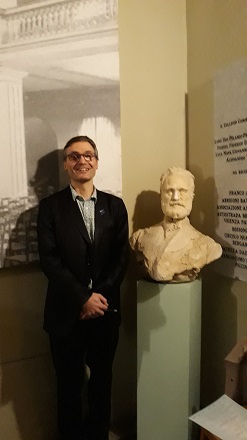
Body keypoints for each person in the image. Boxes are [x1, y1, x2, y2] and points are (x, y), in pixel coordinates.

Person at [37, 135, 129, 440]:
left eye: (88, 155)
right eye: (74, 156)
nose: (82, 160)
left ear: (97, 162)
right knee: (68, 388)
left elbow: (121, 257)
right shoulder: (50, 208)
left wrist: (97, 299)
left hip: (105, 312)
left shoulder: (114, 206)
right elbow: (50, 261)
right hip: (66, 315)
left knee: (102, 385)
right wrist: (82, 299)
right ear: (66, 164)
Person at [130, 167, 222, 282]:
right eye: (169, 191)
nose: (175, 198)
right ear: (161, 196)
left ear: (192, 196)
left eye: (182, 191)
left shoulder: (207, 246)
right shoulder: (140, 237)